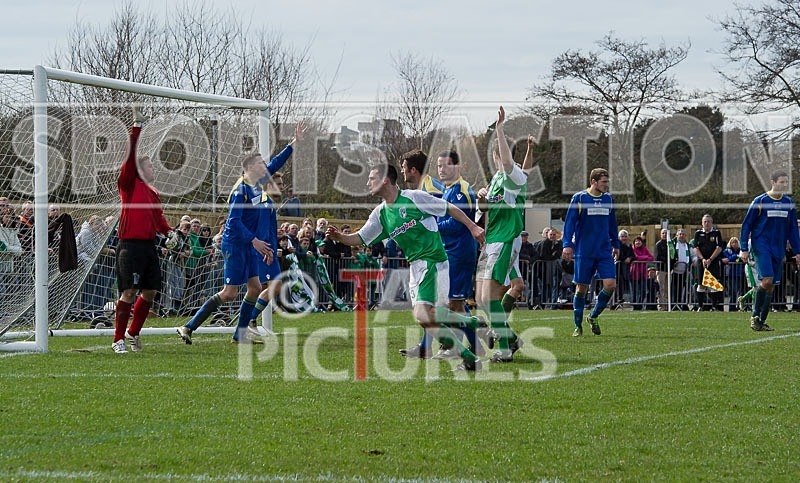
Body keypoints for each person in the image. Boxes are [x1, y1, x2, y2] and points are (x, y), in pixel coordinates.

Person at [327, 164, 486, 371]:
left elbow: (448, 207)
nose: (368, 183)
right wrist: (340, 237)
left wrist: (473, 226)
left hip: (432, 261)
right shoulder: (381, 213)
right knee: (428, 317)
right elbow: (361, 238)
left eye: (371, 178)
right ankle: (470, 327)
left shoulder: (413, 198)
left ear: (385, 179)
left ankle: (468, 354)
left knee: (423, 314)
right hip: (415, 267)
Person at [176, 122, 305, 344]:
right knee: (229, 293)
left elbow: (276, 163)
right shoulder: (240, 191)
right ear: (250, 168)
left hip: (247, 244)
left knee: (255, 287)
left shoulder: (256, 184)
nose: (265, 167)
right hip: (235, 244)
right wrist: (254, 241)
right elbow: (233, 222)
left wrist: (293, 144)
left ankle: (240, 333)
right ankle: (188, 326)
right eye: (260, 164)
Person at [405, 150, 479, 359]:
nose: (442, 170)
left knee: (452, 303)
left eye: (446, 165)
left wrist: (428, 224)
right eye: (439, 166)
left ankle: (459, 347)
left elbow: (455, 224)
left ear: (457, 167)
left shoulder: (459, 190)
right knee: (442, 303)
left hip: (459, 252)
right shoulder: (448, 189)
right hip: (448, 252)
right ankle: (436, 346)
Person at [112, 107, 175, 353]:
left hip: (149, 247)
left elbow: (159, 220)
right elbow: (130, 158)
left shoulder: (154, 193)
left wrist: (169, 233)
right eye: (149, 167)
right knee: (128, 291)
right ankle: (117, 339)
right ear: (139, 170)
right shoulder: (128, 184)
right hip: (129, 245)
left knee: (149, 292)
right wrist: (136, 128)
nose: (153, 170)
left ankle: (133, 333)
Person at [474, 106, 525, 362]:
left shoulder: (513, 176)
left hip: (505, 239)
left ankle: (505, 349)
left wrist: (500, 129)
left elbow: (507, 162)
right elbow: (485, 210)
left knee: (491, 296)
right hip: (491, 240)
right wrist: (482, 198)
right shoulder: (494, 181)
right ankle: (512, 339)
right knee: (480, 299)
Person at [562, 167, 620, 337]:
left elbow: (612, 224)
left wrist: (616, 243)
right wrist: (567, 244)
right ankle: (577, 326)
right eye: (604, 182)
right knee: (581, 288)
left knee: (611, 285)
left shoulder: (608, 199)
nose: (607, 185)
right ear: (593, 182)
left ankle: (593, 316)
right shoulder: (579, 198)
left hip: (603, 250)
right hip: (584, 251)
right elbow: (569, 224)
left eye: (607, 181)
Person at [739, 170, 800, 331]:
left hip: (778, 248)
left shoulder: (789, 203)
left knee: (771, 285)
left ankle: (761, 320)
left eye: (786, 182)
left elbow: (793, 229)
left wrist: (798, 251)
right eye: (781, 182)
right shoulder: (760, 201)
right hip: (761, 246)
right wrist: (744, 248)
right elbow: (746, 226)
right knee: (766, 280)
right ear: (772, 182)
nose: (784, 185)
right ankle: (754, 316)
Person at [693, 214, 725, 311]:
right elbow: (695, 248)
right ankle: (700, 306)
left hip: (713, 262)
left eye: (708, 221)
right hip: (701, 262)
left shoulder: (716, 233)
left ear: (712, 222)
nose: (707, 223)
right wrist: (702, 259)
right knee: (701, 284)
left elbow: (719, 247)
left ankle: (714, 306)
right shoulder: (698, 233)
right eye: (705, 222)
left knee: (713, 283)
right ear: (702, 223)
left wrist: (710, 259)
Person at [630, 236, 654, 310]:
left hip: (643, 273)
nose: (638, 242)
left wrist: (643, 257)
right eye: (636, 241)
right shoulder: (632, 249)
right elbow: (636, 257)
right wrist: (645, 257)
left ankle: (640, 304)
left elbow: (652, 258)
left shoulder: (644, 249)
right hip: (634, 273)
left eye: (639, 241)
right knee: (635, 291)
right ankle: (635, 305)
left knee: (643, 291)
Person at [722, 237, 745, 312]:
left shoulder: (741, 251)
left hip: (740, 274)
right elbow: (728, 259)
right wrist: (736, 256)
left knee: (740, 292)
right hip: (731, 274)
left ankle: (739, 306)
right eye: (732, 242)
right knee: (733, 291)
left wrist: (737, 257)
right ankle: (731, 307)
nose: (734, 244)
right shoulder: (726, 251)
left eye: (735, 242)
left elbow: (743, 258)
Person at [616, 230, 635, 305]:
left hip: (625, 269)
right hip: (617, 268)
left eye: (625, 236)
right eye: (622, 237)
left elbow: (634, 256)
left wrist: (630, 258)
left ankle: (620, 299)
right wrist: (625, 259)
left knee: (622, 284)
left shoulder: (629, 245)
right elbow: (618, 256)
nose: (624, 238)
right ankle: (615, 301)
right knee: (616, 284)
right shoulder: (616, 245)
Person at [653, 228, 669, 310]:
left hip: (669, 270)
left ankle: (666, 305)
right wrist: (667, 259)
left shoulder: (670, 244)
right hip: (661, 269)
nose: (665, 235)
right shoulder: (658, 245)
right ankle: (660, 305)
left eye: (666, 233)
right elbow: (657, 257)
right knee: (661, 288)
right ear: (660, 235)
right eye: (663, 233)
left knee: (667, 289)